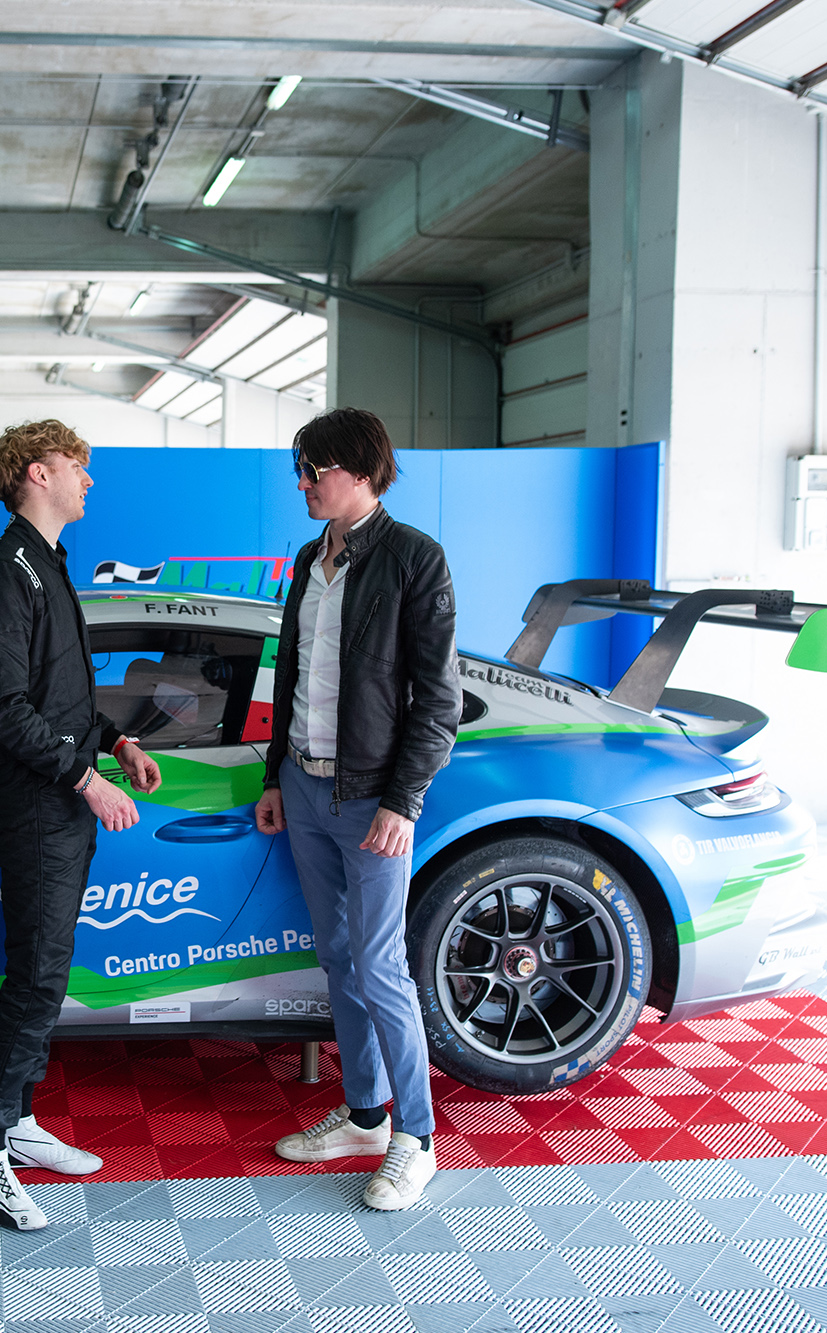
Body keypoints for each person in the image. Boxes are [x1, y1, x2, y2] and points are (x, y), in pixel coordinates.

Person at [254, 408, 462, 1211]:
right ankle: (366, 1116)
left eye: (314, 471)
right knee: (339, 959)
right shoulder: (311, 558)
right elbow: (291, 676)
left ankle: (418, 1138)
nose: (303, 484)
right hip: (304, 788)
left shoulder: (415, 557)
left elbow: (438, 700)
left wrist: (403, 801)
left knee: (381, 968)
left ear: (362, 472)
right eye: (300, 471)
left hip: (372, 798)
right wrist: (275, 776)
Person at [0, 420, 160, 1231]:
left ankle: (18, 1121)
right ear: (39, 473)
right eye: (80, 465)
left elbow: (62, 699)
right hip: (39, 806)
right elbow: (5, 712)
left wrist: (118, 740)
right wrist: (87, 779)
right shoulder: (3, 574)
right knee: (36, 977)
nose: (90, 480)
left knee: (48, 970)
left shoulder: (49, 563)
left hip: (60, 803)